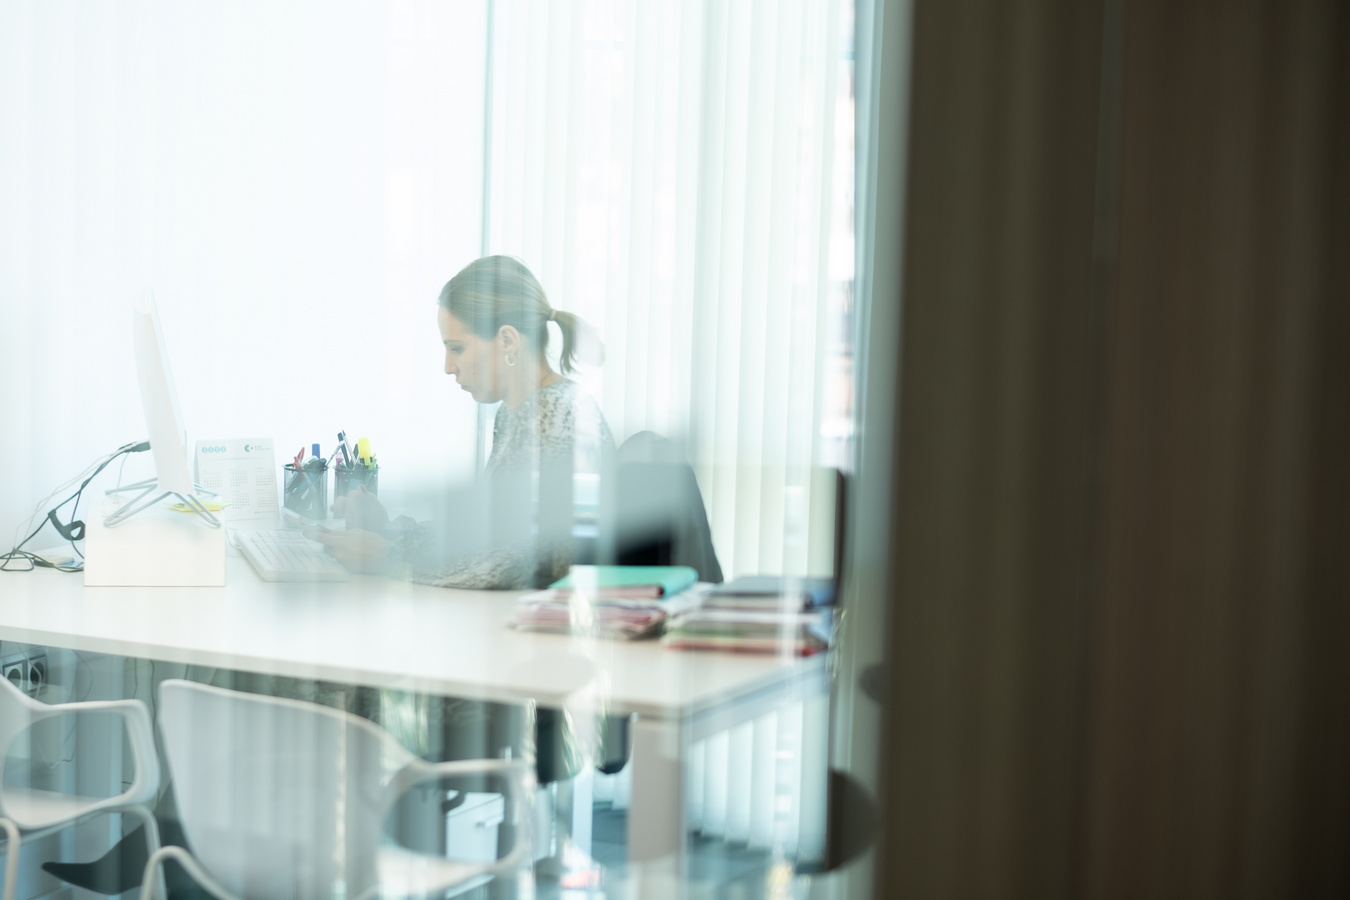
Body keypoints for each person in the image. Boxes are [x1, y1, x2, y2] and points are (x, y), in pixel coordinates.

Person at [314, 255, 614, 589]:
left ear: (507, 341)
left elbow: (510, 561)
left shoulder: (554, 413)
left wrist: (389, 558)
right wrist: (388, 530)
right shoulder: (517, 413)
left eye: (457, 348)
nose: (448, 367)